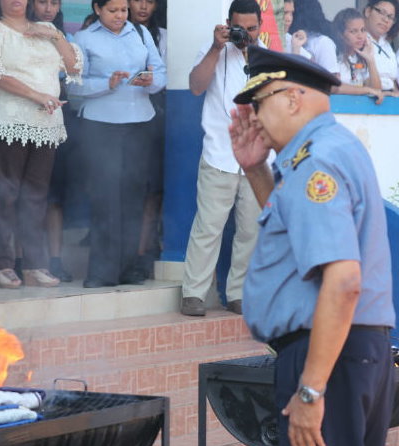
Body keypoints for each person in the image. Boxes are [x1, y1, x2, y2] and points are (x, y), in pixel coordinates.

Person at [229, 46, 396, 446]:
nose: (254, 118)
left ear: (292, 98)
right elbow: (296, 240)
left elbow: (343, 280)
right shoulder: (332, 146)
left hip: (327, 354)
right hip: (349, 349)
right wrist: (255, 170)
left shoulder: (314, 161)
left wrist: (310, 391)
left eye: (259, 103)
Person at [0, 0, 82, 289]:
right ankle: (4, 265)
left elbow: (74, 67)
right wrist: (35, 95)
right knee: (4, 195)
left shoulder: (46, 29)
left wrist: (56, 36)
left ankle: (35, 265)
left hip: (45, 124)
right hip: (6, 121)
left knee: (36, 196)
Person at [68, 0, 166, 288]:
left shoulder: (140, 32)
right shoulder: (83, 38)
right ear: (98, 9)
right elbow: (73, 85)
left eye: (123, 10)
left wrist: (149, 81)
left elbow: (161, 73)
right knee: (104, 197)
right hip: (101, 126)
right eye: (113, 11)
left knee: (134, 197)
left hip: (139, 122)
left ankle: (129, 268)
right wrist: (105, 84)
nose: (120, 16)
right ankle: (101, 271)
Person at [179, 0, 262, 316]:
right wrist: (217, 47)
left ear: (260, 26)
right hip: (220, 155)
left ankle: (238, 294)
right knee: (209, 227)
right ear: (229, 24)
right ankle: (194, 294)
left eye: (252, 28)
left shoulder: (268, 57)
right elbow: (196, 87)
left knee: (250, 231)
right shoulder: (214, 49)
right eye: (241, 28)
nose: (246, 34)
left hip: (257, 160)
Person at [27, 0, 77, 283]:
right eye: (42, 2)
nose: (48, 9)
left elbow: (73, 69)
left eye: (54, 3)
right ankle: (24, 259)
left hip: (56, 115)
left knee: (53, 196)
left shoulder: (61, 36)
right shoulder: (17, 31)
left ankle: (55, 259)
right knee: (24, 193)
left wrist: (56, 38)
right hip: (21, 114)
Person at [129, 0, 167, 278]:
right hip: (123, 116)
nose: (143, 6)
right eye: (137, 0)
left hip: (157, 117)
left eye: (150, 1)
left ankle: (144, 252)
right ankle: (127, 252)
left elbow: (164, 77)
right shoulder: (102, 33)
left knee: (153, 192)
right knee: (130, 189)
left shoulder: (163, 36)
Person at [331, 8, 384, 102]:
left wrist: (370, 60)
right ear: (340, 34)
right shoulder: (333, 55)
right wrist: (366, 90)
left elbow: (376, 90)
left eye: (363, 30)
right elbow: (333, 87)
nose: (360, 36)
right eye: (353, 31)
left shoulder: (362, 57)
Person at [289, 0, 339, 75]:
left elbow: (333, 76)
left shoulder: (323, 42)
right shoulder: (288, 38)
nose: (289, 18)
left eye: (292, 13)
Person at [362, 0, 399, 92]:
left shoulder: (386, 45)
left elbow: (392, 80)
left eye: (390, 17)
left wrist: (398, 96)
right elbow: (360, 81)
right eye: (382, 13)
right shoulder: (359, 40)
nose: (386, 20)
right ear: (368, 11)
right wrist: (388, 94)